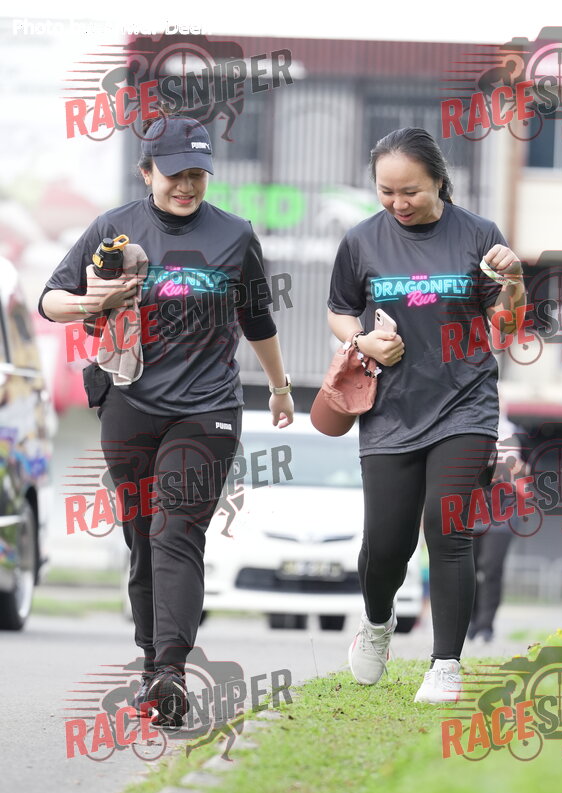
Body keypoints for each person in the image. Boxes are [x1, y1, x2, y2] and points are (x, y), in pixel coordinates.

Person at [39, 113, 294, 726]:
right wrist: (92, 300)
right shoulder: (114, 228)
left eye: (197, 174)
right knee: (141, 536)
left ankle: (172, 674)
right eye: (175, 173)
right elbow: (51, 300)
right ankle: (153, 665)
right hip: (129, 403)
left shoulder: (235, 234)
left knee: (176, 529)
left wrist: (281, 388)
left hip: (207, 408)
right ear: (147, 171)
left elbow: (257, 319)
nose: (186, 185)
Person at [326, 127, 527, 702]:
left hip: (465, 403)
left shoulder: (479, 235)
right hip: (390, 410)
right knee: (386, 545)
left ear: (439, 180)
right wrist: (362, 341)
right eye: (386, 192)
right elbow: (340, 310)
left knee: (449, 526)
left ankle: (446, 665)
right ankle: (377, 622)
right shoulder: (361, 241)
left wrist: (513, 282)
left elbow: (506, 328)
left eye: (409, 191)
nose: (398, 203)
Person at [468, 409, 528, 642]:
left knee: (492, 568)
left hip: (504, 510)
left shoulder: (517, 433)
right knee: (469, 567)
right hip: (473, 507)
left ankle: (486, 625)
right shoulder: (470, 428)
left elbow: (527, 472)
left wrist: (514, 469)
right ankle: (471, 620)